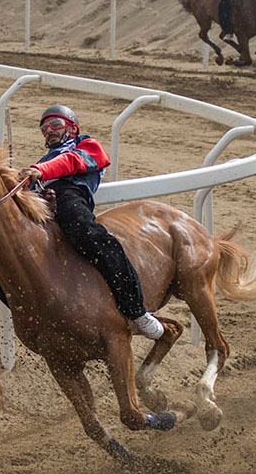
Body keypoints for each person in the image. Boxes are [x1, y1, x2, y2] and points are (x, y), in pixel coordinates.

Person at [22, 105, 170, 341]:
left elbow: (71, 162)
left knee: (91, 238)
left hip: (70, 199)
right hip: (41, 209)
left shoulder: (87, 146)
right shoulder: (41, 163)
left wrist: (41, 171)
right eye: (44, 128)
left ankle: (137, 311)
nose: (49, 130)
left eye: (56, 125)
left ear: (72, 128)